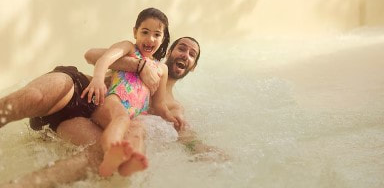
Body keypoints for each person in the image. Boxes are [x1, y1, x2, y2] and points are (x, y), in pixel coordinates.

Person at [0, 37, 226, 188]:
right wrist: (138, 66)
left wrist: (206, 150)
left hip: (80, 126)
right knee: (34, 97)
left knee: (103, 156)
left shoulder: (173, 108)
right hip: (77, 89)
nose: (185, 54)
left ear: (193, 65)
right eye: (182, 48)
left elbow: (185, 136)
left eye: (192, 53)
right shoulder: (143, 59)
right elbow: (92, 55)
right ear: (169, 52)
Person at [80, 7, 177, 177]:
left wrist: (171, 117)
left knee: (136, 133)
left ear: (163, 38)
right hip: (114, 100)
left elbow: (159, 104)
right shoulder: (129, 49)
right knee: (121, 118)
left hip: (136, 113)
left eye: (157, 34)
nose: (150, 39)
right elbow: (105, 59)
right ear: (135, 32)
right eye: (145, 32)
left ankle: (128, 163)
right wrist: (98, 78)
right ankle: (111, 151)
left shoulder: (162, 69)